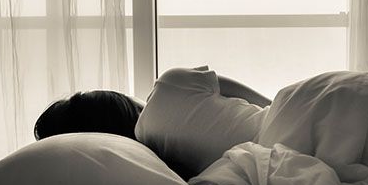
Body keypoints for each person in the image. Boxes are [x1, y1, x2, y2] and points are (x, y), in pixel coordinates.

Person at [34, 69, 271, 141]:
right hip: (287, 118)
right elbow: (268, 104)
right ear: (115, 99)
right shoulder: (170, 84)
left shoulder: (161, 163)